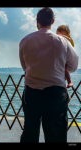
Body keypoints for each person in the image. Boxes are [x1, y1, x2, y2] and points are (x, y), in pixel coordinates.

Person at [19, 7, 79, 143]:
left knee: (30, 133)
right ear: (52, 21)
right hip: (55, 95)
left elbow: (25, 67)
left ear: (37, 21)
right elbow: (73, 66)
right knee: (56, 136)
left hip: (31, 93)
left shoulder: (25, 40)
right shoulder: (63, 42)